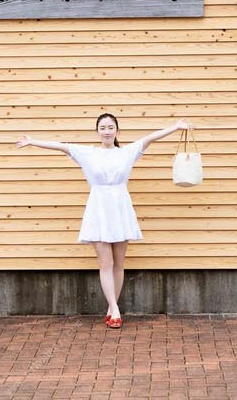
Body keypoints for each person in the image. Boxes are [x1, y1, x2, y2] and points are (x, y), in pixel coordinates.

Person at [15, 113, 190, 328]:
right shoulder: (88, 153)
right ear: (97, 131)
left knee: (119, 263)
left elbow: (150, 138)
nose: (106, 131)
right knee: (105, 263)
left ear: (117, 131)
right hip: (98, 209)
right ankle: (115, 309)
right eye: (102, 127)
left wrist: (175, 127)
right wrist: (32, 141)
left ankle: (111, 307)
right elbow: (61, 146)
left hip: (120, 208)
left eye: (110, 127)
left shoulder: (126, 152)